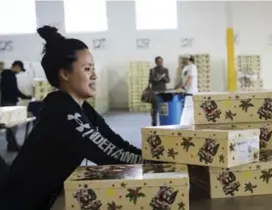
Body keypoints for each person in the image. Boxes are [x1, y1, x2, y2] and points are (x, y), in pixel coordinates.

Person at [0, 26, 146, 210]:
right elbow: (107, 154)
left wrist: (151, 157)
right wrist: (151, 163)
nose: (94, 75)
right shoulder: (62, 113)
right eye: (87, 69)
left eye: (93, 68)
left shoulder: (81, 109)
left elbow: (114, 142)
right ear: (65, 73)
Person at [0, 60, 32, 151]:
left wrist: (25, 96)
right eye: (20, 69)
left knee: (12, 125)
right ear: (16, 66)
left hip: (10, 102)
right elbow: (11, 90)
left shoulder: (10, 75)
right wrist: (24, 96)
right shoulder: (7, 75)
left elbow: (14, 90)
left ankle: (12, 144)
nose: (19, 72)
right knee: (12, 125)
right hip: (8, 103)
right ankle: (12, 144)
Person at [176, 54, 198, 126]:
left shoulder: (192, 67)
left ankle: (191, 124)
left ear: (188, 59)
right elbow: (182, 79)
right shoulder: (185, 67)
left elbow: (190, 79)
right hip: (186, 92)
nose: (182, 60)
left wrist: (183, 88)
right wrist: (176, 87)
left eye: (184, 59)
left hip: (191, 91)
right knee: (186, 109)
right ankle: (186, 124)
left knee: (190, 109)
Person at [148, 56, 170, 126]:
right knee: (154, 108)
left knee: (164, 108)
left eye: (161, 61)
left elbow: (168, 80)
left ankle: (164, 123)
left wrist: (164, 78)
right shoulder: (152, 70)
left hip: (163, 91)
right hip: (155, 91)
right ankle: (154, 123)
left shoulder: (165, 70)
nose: (160, 63)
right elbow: (150, 80)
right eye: (158, 62)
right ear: (156, 62)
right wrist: (157, 78)